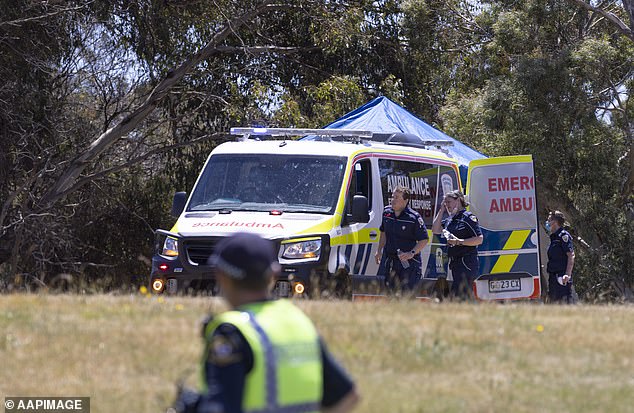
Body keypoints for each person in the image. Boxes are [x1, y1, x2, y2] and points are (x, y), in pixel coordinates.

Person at [174, 232, 359, 413]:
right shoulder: (299, 321)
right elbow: (349, 397)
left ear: (222, 276)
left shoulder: (232, 333)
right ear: (273, 275)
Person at [374, 186, 429, 294]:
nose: (393, 200)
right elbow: (383, 232)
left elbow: (424, 239)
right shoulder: (386, 213)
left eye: (397, 197)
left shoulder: (413, 218)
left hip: (409, 264)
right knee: (389, 294)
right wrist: (379, 250)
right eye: (392, 197)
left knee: (407, 296)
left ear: (405, 200)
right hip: (390, 261)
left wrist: (411, 253)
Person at [431, 190, 483, 300]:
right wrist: (441, 210)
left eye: (449, 202)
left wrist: (459, 241)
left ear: (458, 200)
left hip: (466, 262)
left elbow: (479, 239)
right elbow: (435, 229)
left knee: (460, 294)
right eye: (445, 203)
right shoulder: (451, 219)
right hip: (455, 263)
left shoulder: (468, 218)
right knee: (460, 294)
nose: (447, 205)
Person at [545, 211, 576, 304]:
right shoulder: (553, 237)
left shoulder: (563, 236)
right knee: (554, 304)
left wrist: (567, 274)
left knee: (564, 303)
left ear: (554, 222)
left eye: (549, 220)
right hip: (553, 277)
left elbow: (571, 255)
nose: (547, 222)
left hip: (562, 277)